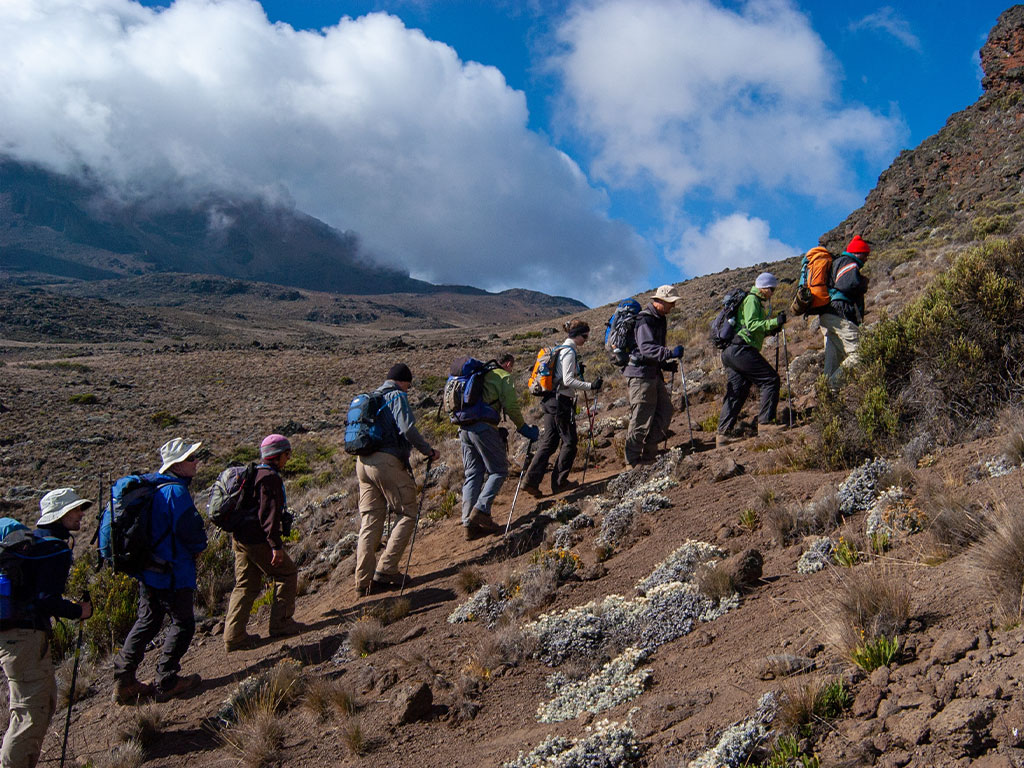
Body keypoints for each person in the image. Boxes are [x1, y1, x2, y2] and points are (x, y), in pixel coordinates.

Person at [0, 489, 92, 768]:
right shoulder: (54, 548)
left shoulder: (34, 544)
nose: (80, 515)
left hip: (16, 639)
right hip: (26, 639)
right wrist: (79, 611)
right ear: (61, 515)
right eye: (75, 510)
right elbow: (45, 600)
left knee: (33, 706)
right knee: (31, 712)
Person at [113, 438, 208, 703]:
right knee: (184, 623)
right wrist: (199, 547)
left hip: (148, 569)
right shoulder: (175, 492)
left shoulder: (153, 488)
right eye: (190, 459)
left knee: (148, 620)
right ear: (177, 466)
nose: (195, 462)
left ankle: (124, 679)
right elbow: (190, 531)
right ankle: (167, 680)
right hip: (173, 570)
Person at [354, 364, 440, 594]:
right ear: (403, 381)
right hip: (386, 461)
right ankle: (387, 569)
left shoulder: (371, 397)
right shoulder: (396, 396)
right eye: (409, 385)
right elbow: (408, 429)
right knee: (408, 512)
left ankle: (363, 582)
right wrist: (428, 450)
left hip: (362, 463)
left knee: (370, 520)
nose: (409, 390)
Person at [224, 434, 305, 652]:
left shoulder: (253, 474)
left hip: (240, 538)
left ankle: (234, 636)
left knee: (245, 585)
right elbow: (268, 516)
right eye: (287, 454)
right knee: (287, 573)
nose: (288, 459)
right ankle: (281, 623)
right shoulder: (269, 478)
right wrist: (275, 546)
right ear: (278, 456)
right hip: (257, 540)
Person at [460, 354, 540, 539]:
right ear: (508, 363)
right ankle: (480, 511)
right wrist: (523, 428)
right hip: (484, 427)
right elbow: (511, 406)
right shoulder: (502, 376)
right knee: (498, 470)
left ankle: (468, 525)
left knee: (473, 473)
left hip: (464, 428)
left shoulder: (480, 374)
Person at [523, 320, 602, 496]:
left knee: (549, 442)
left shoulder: (560, 350)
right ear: (578, 335)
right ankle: (559, 483)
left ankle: (530, 481)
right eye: (585, 336)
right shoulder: (569, 352)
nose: (586, 340)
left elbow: (562, 376)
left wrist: (575, 371)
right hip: (560, 402)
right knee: (570, 441)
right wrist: (591, 385)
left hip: (551, 400)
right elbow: (567, 381)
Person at [716, 273, 787, 447]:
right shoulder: (752, 300)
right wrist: (773, 322)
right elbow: (753, 324)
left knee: (738, 391)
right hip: (741, 349)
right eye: (771, 289)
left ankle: (722, 435)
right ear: (763, 287)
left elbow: (751, 328)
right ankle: (765, 424)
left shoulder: (752, 301)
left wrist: (771, 329)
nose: (772, 293)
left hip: (731, 351)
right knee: (770, 380)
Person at [623, 285, 684, 467]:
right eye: (670, 303)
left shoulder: (659, 318)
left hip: (653, 373)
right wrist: (669, 353)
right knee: (641, 418)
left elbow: (651, 350)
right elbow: (646, 348)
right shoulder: (645, 320)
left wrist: (665, 364)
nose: (672, 307)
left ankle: (650, 452)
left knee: (665, 412)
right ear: (660, 301)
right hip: (640, 375)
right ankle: (632, 462)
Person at [821, 235, 870, 389]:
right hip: (840, 314)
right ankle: (832, 386)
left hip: (828, 315)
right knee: (861, 353)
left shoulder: (837, 263)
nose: (867, 258)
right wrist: (863, 283)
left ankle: (827, 395)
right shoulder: (849, 262)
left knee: (833, 360)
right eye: (865, 254)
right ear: (858, 253)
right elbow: (848, 285)